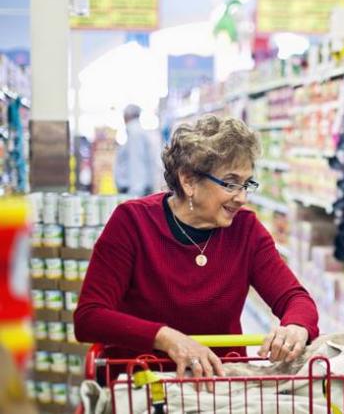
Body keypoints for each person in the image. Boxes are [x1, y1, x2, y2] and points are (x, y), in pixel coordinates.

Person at [75, 115, 319, 382]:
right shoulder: (133, 223)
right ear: (189, 181)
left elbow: (295, 298)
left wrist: (295, 326)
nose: (242, 197)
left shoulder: (245, 229)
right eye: (230, 183)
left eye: (246, 183)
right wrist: (167, 338)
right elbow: (90, 316)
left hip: (219, 386)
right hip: (143, 383)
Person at [115, 104, 157, 196]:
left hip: (136, 191)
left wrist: (135, 194)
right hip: (138, 190)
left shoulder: (135, 134)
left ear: (127, 116)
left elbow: (137, 163)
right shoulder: (136, 133)